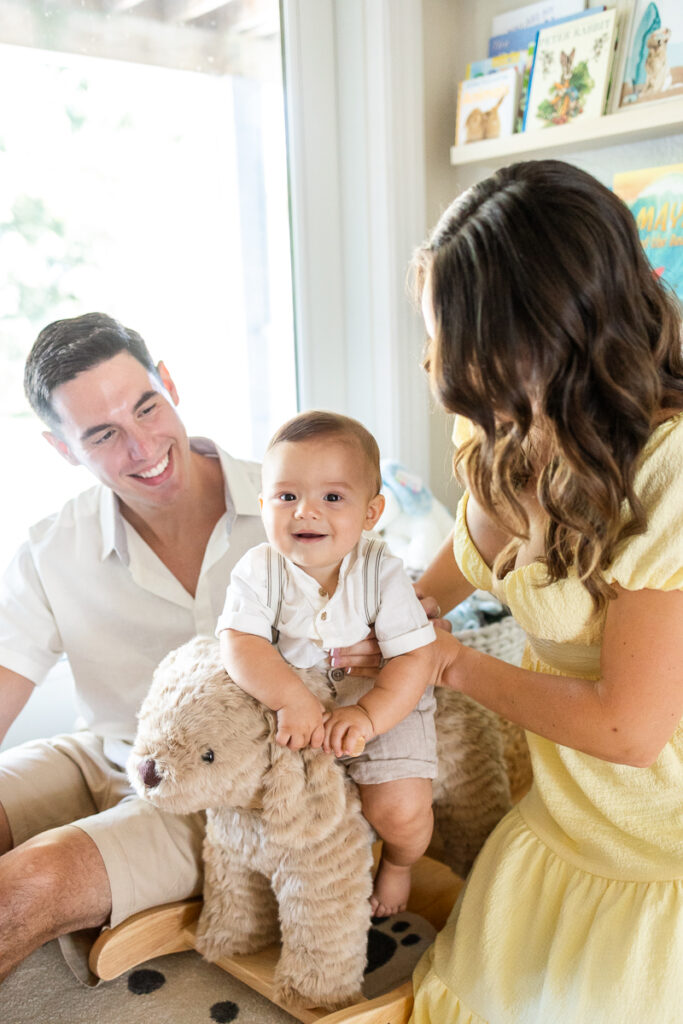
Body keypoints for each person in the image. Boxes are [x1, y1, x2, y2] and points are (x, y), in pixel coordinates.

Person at [401, 159, 683, 1022]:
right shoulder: (501, 425)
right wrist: (381, 622)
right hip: (563, 818)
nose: (437, 362)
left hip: (661, 847)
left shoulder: (666, 472)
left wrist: (447, 667)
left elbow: (626, 728)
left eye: (459, 341)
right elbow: (457, 569)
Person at [0, 312, 267, 984]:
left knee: (26, 885)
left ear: (168, 382)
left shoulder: (292, 508)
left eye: (147, 407)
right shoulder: (51, 546)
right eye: (103, 435)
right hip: (105, 750)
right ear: (62, 448)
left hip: (228, 800)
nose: (143, 446)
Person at [217, 410, 438, 918]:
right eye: (287, 497)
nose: (306, 513)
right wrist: (291, 699)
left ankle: (400, 862)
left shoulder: (382, 568)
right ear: (263, 504)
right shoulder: (259, 568)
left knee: (399, 810)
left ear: (370, 512)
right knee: (281, 806)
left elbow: (414, 655)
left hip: (379, 696)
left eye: (332, 498)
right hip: (298, 699)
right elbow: (240, 642)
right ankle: (291, 889)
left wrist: (370, 717)